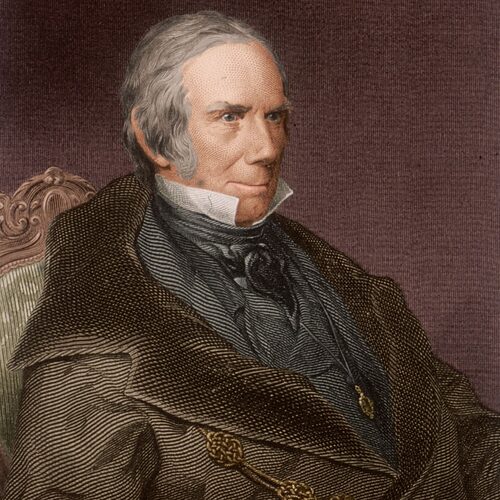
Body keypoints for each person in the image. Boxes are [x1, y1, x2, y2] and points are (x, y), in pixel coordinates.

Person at [4, 11, 499, 500]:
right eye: (230, 117)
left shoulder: (341, 281)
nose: (266, 148)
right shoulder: (97, 341)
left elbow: (463, 431)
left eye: (274, 116)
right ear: (155, 138)